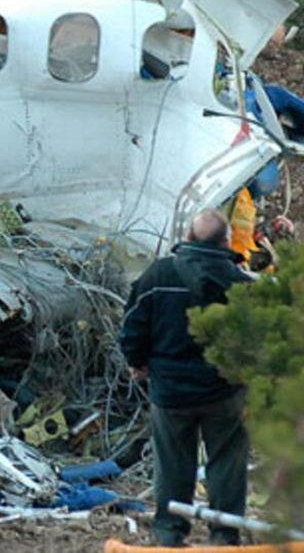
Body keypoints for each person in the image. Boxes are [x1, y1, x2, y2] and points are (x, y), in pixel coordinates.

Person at [120, 209, 252, 546]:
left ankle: (169, 532)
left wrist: (138, 363)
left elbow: (132, 329)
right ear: (226, 241)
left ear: (188, 238)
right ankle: (224, 534)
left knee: (173, 464)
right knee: (227, 463)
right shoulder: (240, 284)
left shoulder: (158, 275)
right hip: (224, 392)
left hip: (170, 393)